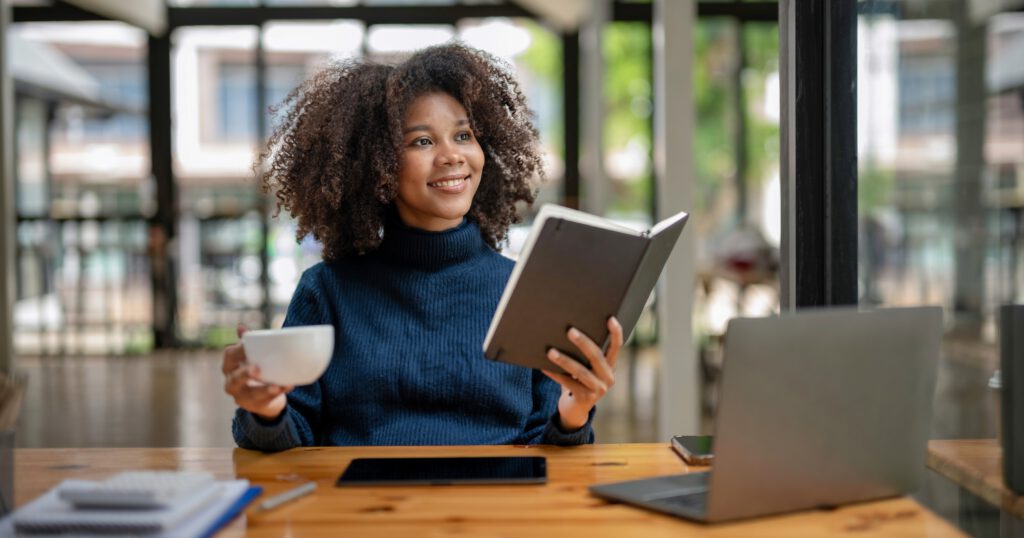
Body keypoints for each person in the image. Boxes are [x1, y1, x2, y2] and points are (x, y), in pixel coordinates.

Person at [222, 43, 622, 452]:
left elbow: (547, 448)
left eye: (463, 135)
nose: (452, 156)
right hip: (362, 508)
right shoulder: (327, 292)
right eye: (422, 142)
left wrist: (574, 412)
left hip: (494, 507)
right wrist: (267, 408)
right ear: (377, 164)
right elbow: (290, 437)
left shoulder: (527, 291)